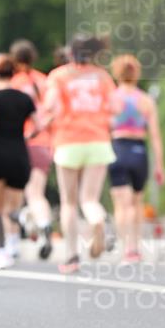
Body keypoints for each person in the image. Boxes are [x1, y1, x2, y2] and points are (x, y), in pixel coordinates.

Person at [43, 35, 117, 274]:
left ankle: (72, 255)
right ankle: (98, 219)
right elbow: (115, 108)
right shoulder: (103, 76)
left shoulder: (59, 76)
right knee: (90, 199)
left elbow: (50, 105)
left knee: (69, 202)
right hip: (98, 141)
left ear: (70, 53)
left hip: (68, 141)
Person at [0, 54, 39, 270]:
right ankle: (17, 232)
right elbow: (37, 126)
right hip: (19, 153)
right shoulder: (25, 98)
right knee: (12, 206)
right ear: (14, 73)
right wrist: (26, 137)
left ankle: (1, 251)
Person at [109, 55, 165, 261]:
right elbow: (156, 136)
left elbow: (103, 128)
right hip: (139, 150)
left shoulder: (110, 98)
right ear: (137, 73)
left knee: (120, 203)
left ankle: (125, 247)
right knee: (136, 202)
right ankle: (135, 247)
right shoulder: (146, 100)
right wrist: (160, 166)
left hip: (116, 149)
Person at [10, 39, 54, 259]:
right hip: (44, 143)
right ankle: (43, 223)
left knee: (20, 192)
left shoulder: (14, 83)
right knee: (37, 192)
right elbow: (51, 112)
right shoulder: (44, 81)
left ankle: (28, 228)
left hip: (21, 142)